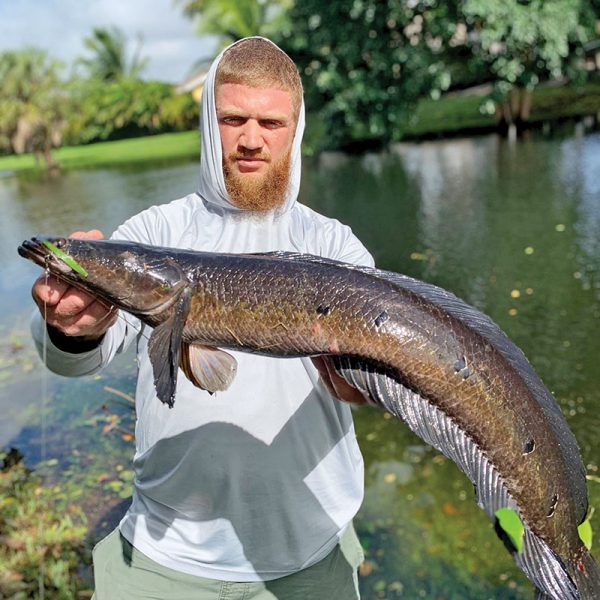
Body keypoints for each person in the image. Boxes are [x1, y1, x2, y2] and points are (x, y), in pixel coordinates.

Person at [30, 37, 374, 599]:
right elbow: (78, 357)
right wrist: (71, 327)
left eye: (271, 123)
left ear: (297, 129)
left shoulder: (336, 247)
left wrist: (361, 384)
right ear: (208, 124)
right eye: (233, 118)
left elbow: (370, 387)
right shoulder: (153, 233)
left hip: (310, 552)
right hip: (167, 554)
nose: (251, 139)